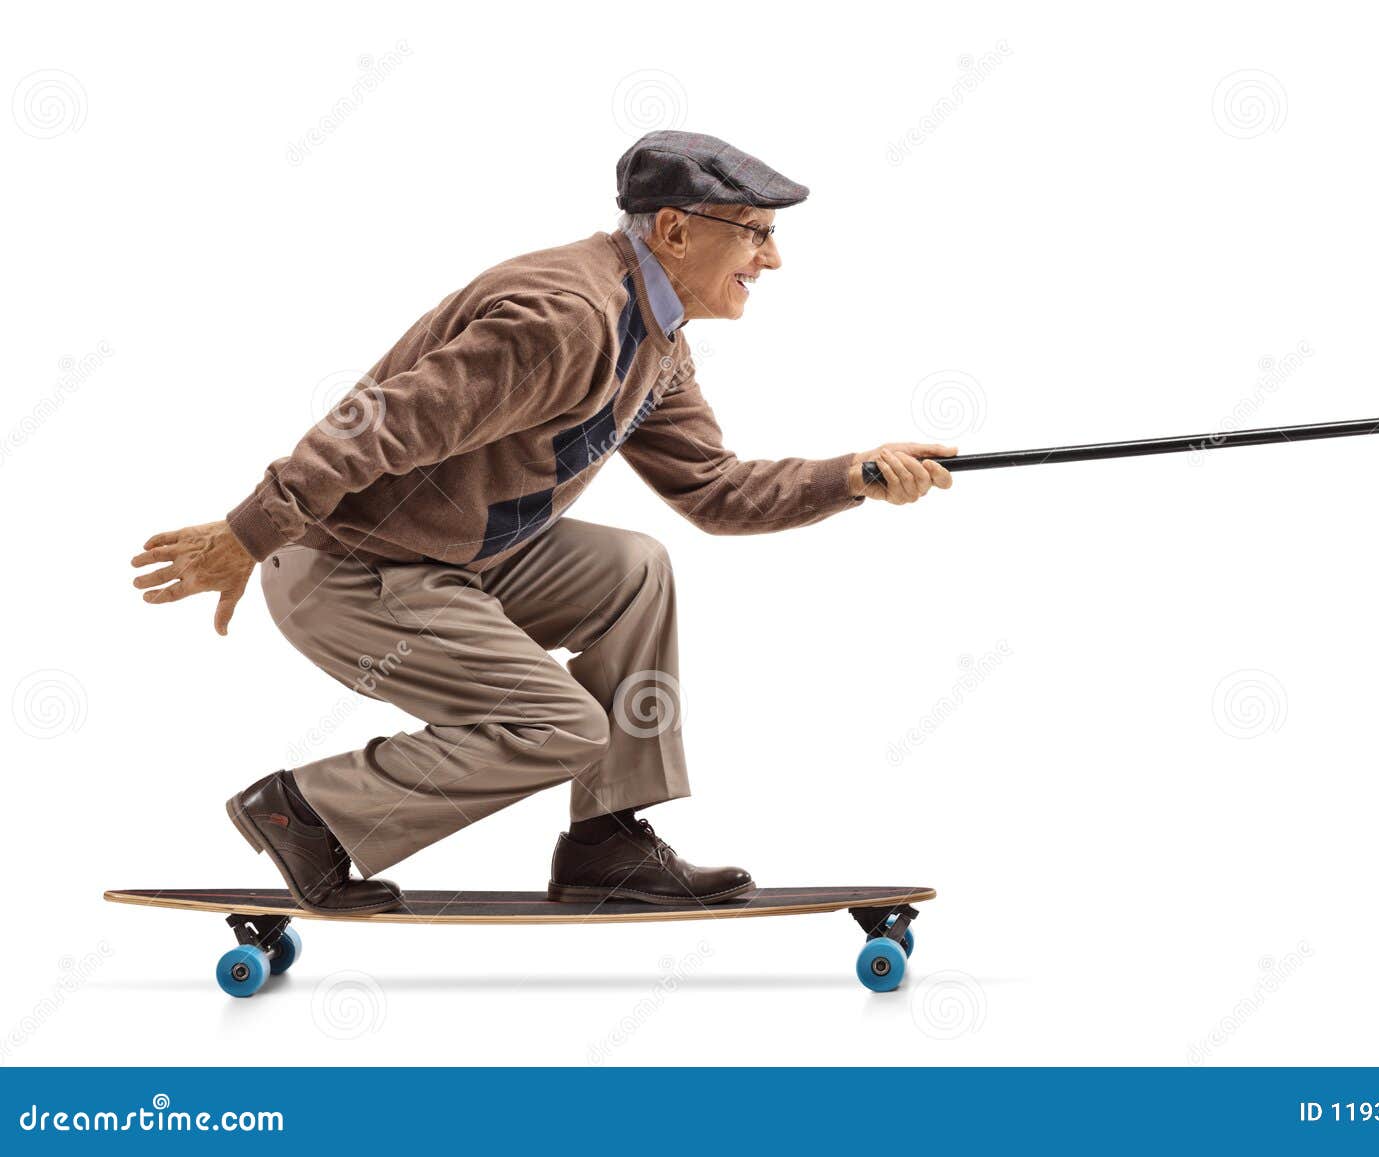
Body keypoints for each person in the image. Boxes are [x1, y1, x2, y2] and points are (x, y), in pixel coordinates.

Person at [129, 130, 954, 915]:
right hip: (349, 569)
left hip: (459, 556)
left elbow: (713, 489)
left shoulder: (656, 337)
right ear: (673, 230)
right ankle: (305, 810)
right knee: (562, 726)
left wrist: (855, 475)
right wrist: (249, 531)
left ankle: (607, 843)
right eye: (755, 234)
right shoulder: (569, 318)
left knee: (635, 568)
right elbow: (376, 421)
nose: (772, 258)